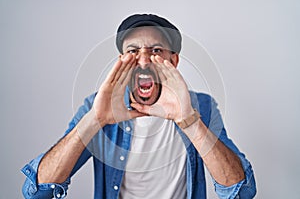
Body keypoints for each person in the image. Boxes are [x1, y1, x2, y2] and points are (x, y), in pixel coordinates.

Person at [21, 14, 256, 199]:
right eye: (133, 51)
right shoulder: (96, 107)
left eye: (155, 51)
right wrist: (95, 119)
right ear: (121, 61)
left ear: (173, 61)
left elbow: (241, 191)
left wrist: (189, 121)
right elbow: (38, 190)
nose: (143, 60)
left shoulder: (202, 107)